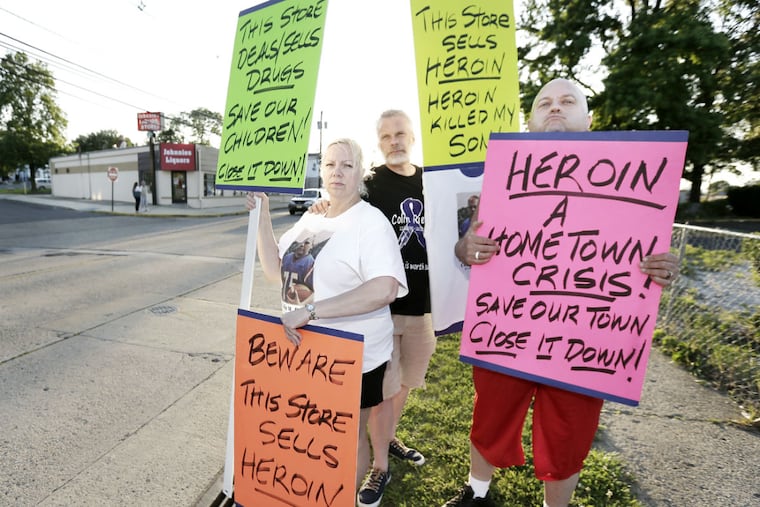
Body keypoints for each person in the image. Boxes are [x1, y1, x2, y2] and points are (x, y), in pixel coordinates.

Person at [445, 78, 681, 507]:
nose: (555, 108)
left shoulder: (635, 180)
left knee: (569, 432)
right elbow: (467, 246)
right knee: (490, 415)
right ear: (530, 122)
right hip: (508, 326)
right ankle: (476, 495)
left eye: (567, 101)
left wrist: (662, 268)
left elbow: (644, 258)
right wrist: (466, 247)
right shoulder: (503, 175)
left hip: (585, 339)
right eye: (544, 103)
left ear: (588, 121)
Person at [247, 138, 408, 507]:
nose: (337, 171)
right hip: (301, 353)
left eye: (347, 165)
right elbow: (275, 270)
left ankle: (341, 500)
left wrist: (313, 312)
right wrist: (263, 214)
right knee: (308, 434)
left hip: (349, 356)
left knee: (346, 437)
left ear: (361, 173)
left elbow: (384, 288)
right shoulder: (313, 216)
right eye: (331, 164)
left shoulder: (371, 222)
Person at [310, 110, 434, 478]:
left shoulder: (431, 182)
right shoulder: (372, 182)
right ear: (379, 144)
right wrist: (321, 207)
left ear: (412, 138)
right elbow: (341, 201)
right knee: (382, 389)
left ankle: (388, 437)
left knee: (406, 382)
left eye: (400, 134)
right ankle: (378, 462)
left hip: (422, 306)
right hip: (382, 308)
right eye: (385, 137)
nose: (394, 142)